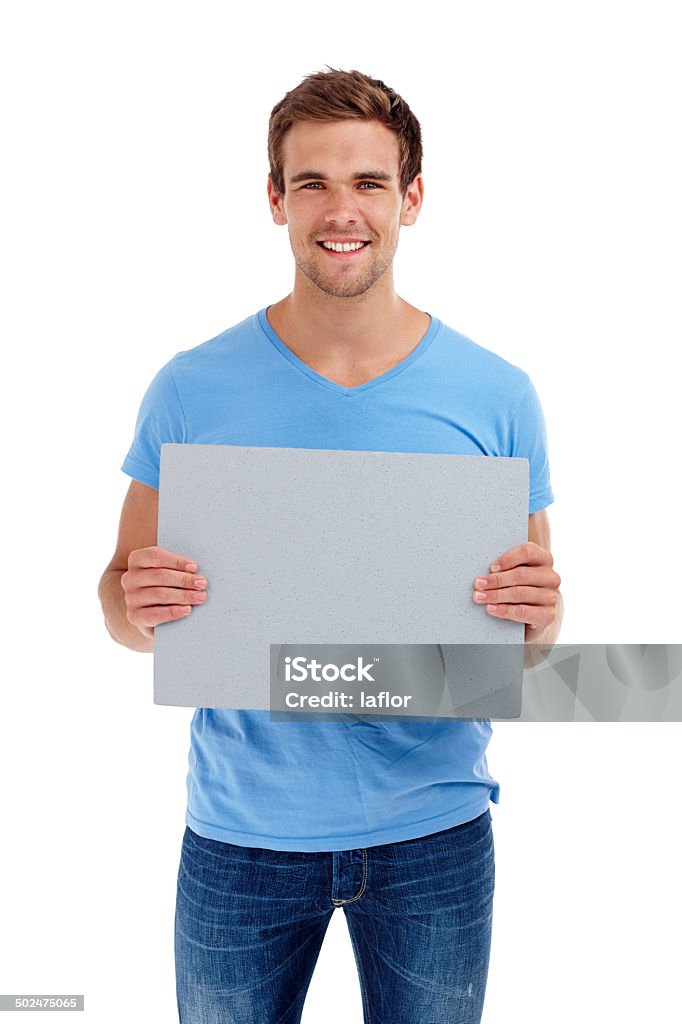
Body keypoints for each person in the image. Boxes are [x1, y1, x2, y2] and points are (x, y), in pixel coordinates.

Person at [98, 67, 563, 1024]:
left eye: (368, 182)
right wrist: (134, 604)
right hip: (241, 836)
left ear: (412, 199)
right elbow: (120, 604)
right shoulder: (190, 389)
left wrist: (540, 618)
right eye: (311, 182)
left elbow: (529, 639)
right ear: (275, 200)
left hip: (433, 832)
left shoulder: (497, 394)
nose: (339, 209)